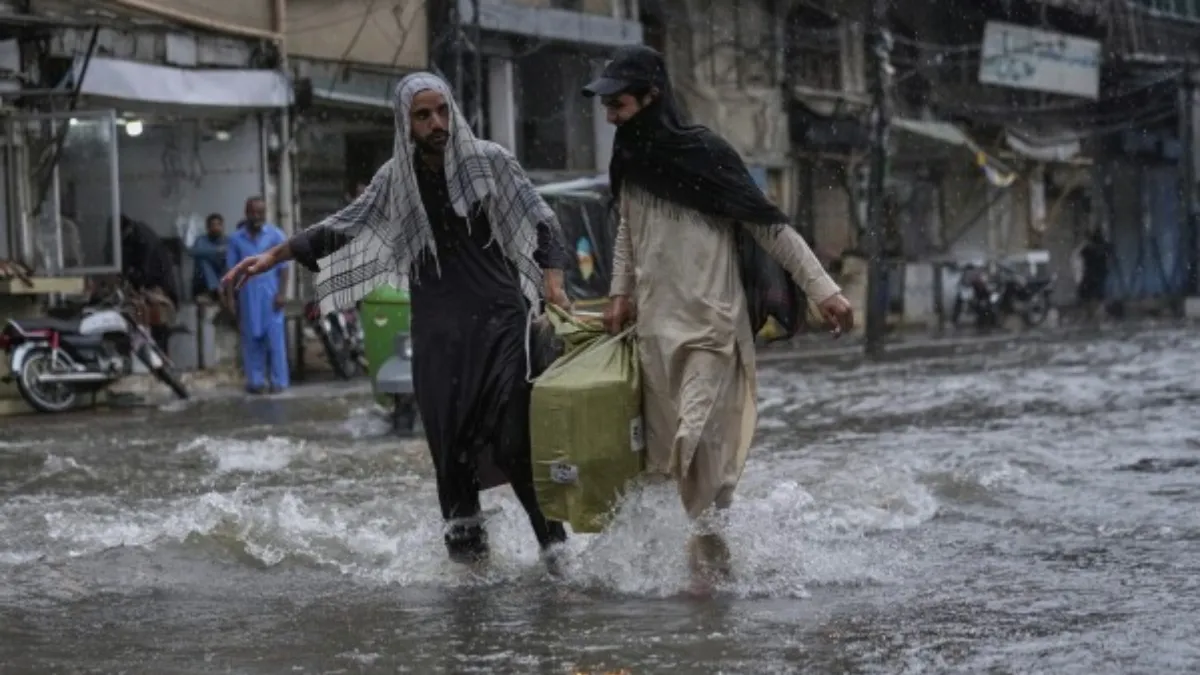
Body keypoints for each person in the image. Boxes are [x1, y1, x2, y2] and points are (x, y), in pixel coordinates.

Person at [222, 72, 572, 567]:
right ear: (405, 123)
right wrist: (271, 257)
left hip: (499, 325)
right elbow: (339, 228)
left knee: (517, 447)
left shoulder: (490, 163)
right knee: (451, 462)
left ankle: (557, 559)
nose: (436, 124)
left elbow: (543, 220)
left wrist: (553, 283)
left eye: (442, 111)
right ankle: (470, 582)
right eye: (423, 115)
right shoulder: (395, 181)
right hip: (438, 337)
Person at [584, 46, 855, 583]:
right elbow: (627, 232)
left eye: (619, 104)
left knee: (697, 444)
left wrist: (823, 289)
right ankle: (709, 572)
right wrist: (618, 294)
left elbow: (767, 224)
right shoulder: (629, 159)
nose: (611, 116)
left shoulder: (707, 153)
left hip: (712, 329)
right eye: (607, 106)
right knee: (666, 465)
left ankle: (704, 575)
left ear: (651, 97)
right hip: (654, 335)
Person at [225, 198, 289, 394]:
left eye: (261, 212)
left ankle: (279, 383)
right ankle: (256, 382)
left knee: (275, 342)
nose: (257, 217)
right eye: (253, 212)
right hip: (247, 296)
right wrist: (230, 300)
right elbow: (231, 272)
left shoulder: (276, 235)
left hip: (271, 296)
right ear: (246, 213)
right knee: (252, 340)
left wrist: (282, 293)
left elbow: (284, 267)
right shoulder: (236, 240)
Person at [114, 215, 179, 354]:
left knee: (158, 323)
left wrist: (137, 282)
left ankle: (161, 356)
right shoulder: (134, 236)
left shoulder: (144, 238)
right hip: (152, 283)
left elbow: (145, 267)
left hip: (159, 284)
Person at [188, 213, 228, 303]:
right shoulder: (201, 240)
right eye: (213, 225)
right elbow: (193, 252)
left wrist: (213, 253)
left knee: (229, 262)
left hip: (222, 276)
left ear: (222, 226)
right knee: (203, 261)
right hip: (203, 282)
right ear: (208, 228)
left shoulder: (228, 241)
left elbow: (229, 256)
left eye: (218, 225)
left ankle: (217, 290)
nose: (216, 228)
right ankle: (216, 290)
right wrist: (217, 251)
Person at [1076, 228, 1109, 320]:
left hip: (1091, 274)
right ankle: (1095, 313)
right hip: (1097, 274)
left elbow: (1080, 254)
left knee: (1087, 294)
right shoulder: (1102, 248)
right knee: (1097, 294)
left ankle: (1091, 313)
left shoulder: (1088, 249)